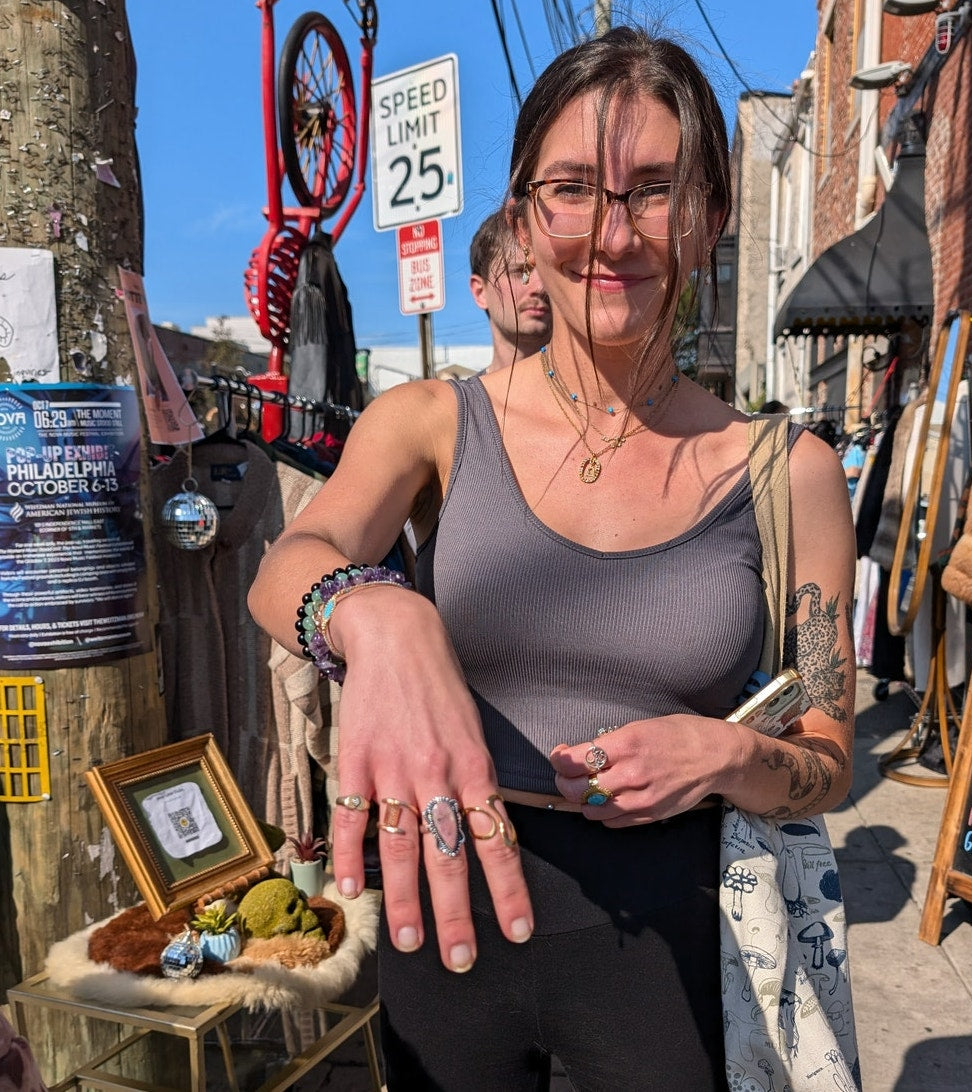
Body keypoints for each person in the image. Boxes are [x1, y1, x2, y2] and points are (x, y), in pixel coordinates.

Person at [249, 26, 858, 1091]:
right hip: (444, 907)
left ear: (711, 213)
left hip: (676, 934)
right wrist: (375, 615)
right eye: (573, 188)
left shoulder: (787, 470)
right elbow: (287, 561)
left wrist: (722, 757)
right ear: (525, 216)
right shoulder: (431, 422)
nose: (612, 234)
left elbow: (827, 753)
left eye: (655, 190)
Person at [468, 207, 552, 373]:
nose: (540, 286)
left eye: (548, 271)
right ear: (480, 292)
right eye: (521, 272)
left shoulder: (598, 393)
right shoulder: (461, 399)